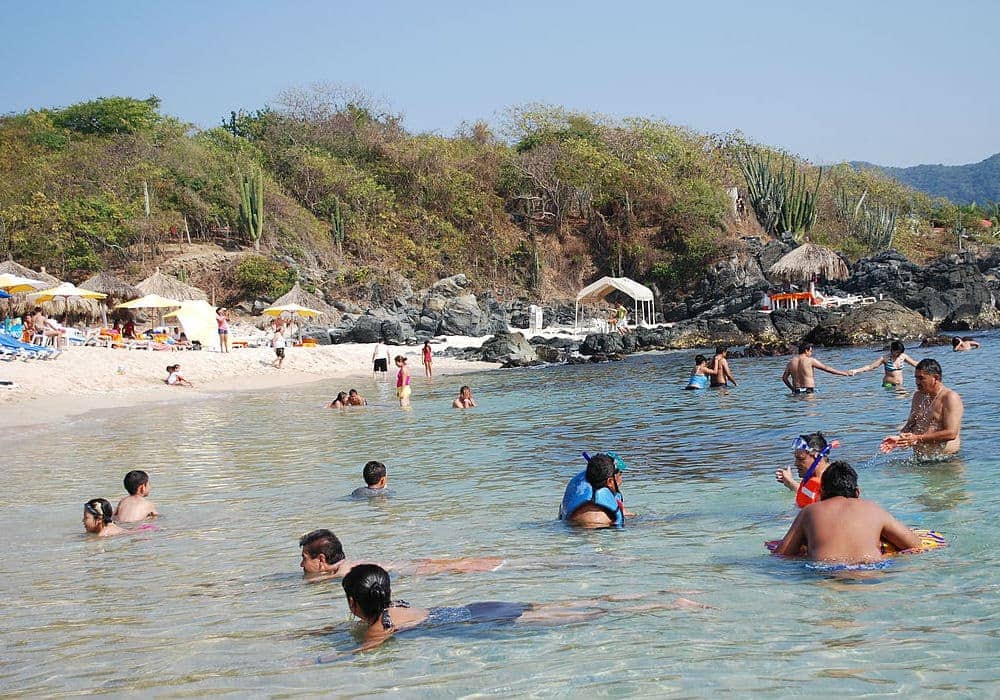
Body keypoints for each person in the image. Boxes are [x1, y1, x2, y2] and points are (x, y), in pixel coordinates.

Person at [333, 564, 703, 654]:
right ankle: (652, 594)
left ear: (354, 602)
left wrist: (316, 662)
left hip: (482, 621)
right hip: (478, 606)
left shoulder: (379, 626)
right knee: (568, 606)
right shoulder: (395, 606)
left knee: (581, 617)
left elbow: (360, 654)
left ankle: (667, 604)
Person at [773, 461, 920, 564]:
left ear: (821, 492)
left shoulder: (809, 512)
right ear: (857, 492)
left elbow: (782, 555)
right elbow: (915, 545)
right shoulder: (873, 509)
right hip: (870, 571)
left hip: (824, 573)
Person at [298, 529, 502, 581]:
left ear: (322, 560)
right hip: (408, 566)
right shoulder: (350, 563)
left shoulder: (343, 574)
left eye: (305, 558)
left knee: (457, 568)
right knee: (457, 565)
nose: (301, 565)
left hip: (411, 571)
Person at [880, 358, 963, 457]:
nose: (917, 382)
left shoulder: (949, 397)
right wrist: (900, 438)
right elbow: (911, 424)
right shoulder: (918, 396)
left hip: (947, 461)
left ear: (935, 378)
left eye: (921, 378)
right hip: (920, 460)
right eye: (916, 378)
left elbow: (951, 433)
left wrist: (917, 438)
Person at [559, 452, 635, 527]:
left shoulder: (583, 489)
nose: (621, 480)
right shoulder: (598, 517)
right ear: (610, 481)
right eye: (620, 474)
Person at [774, 432, 834, 507]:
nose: (796, 463)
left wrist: (791, 482)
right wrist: (790, 483)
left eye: (801, 459)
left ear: (817, 457)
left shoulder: (834, 481)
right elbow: (810, 495)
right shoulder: (813, 479)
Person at [781, 342, 852, 394]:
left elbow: (784, 378)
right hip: (809, 391)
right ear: (806, 350)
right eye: (811, 351)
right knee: (810, 413)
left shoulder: (791, 362)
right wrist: (843, 373)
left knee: (800, 412)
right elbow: (826, 368)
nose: (811, 353)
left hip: (797, 392)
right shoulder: (810, 360)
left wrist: (792, 389)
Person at [850, 340, 919, 388]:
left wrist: (928, 366)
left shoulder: (903, 356)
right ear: (892, 350)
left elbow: (915, 364)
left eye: (900, 352)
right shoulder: (885, 358)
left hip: (899, 385)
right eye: (897, 352)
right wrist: (855, 371)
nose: (899, 354)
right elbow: (870, 367)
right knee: (902, 397)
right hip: (888, 385)